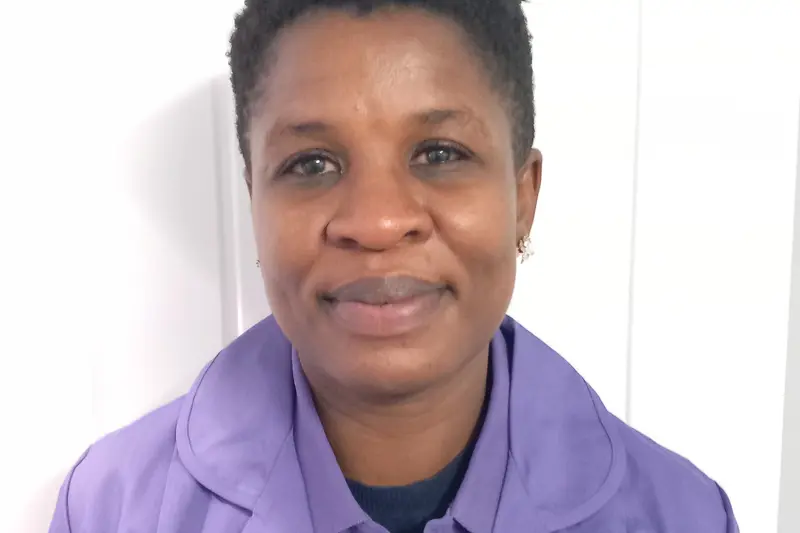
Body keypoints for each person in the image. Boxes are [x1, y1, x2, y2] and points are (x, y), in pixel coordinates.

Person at [49, 1, 739, 532]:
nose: (377, 223)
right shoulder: (116, 506)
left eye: (439, 153)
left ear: (523, 199)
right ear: (255, 200)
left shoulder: (679, 514)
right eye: (311, 164)